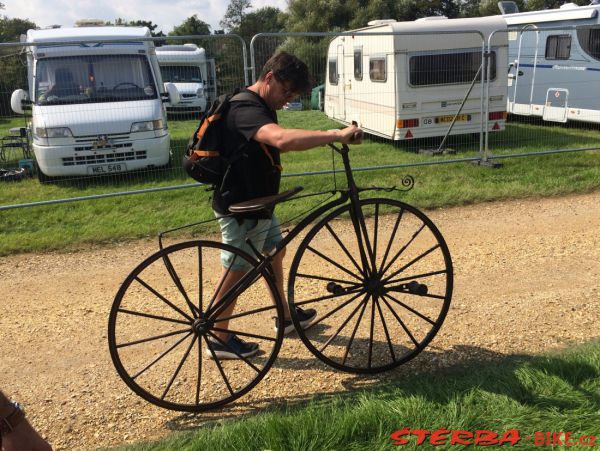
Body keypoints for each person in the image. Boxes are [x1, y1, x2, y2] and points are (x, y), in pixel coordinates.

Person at [208, 51, 362, 359]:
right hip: (243, 206)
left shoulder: (259, 104)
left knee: (276, 249)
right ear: (269, 79)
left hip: (260, 201)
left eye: (294, 94)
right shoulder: (245, 109)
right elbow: (280, 139)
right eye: (286, 91)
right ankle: (217, 334)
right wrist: (335, 134)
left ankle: (286, 317)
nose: (288, 99)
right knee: (237, 268)